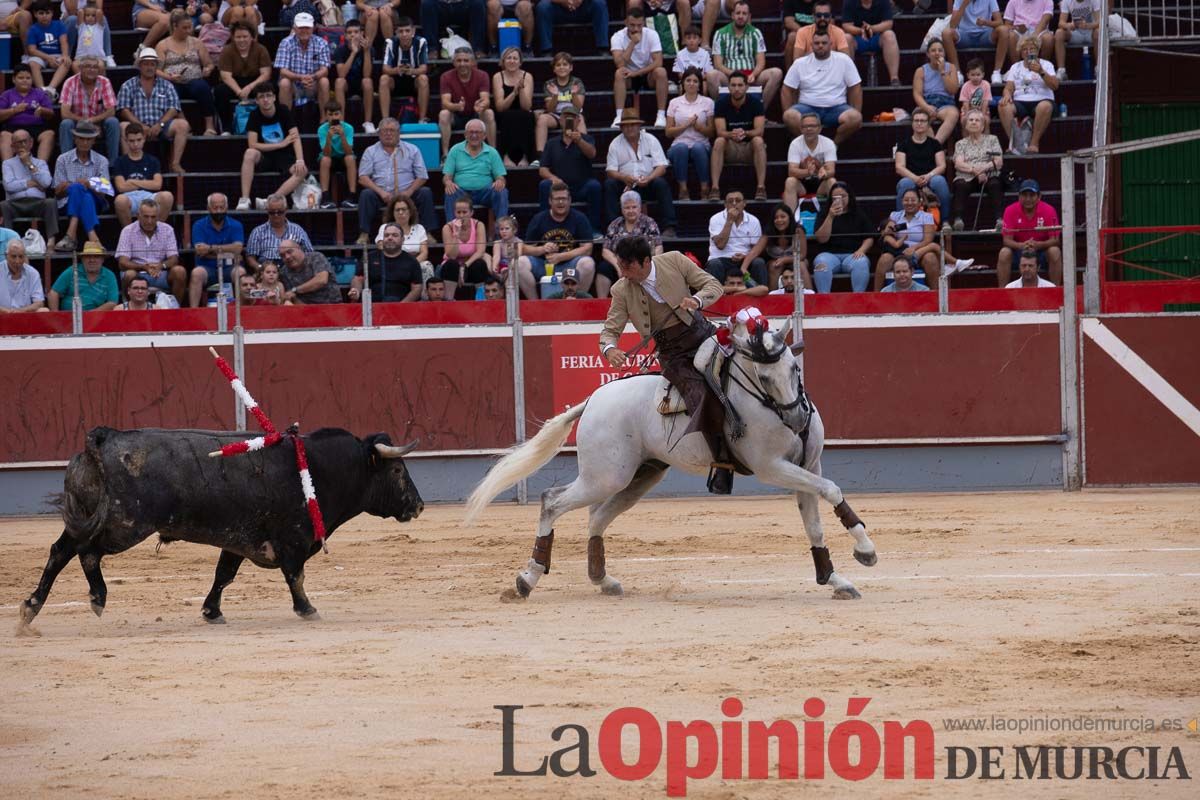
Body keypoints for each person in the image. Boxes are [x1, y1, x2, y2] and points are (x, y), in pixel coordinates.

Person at [600, 236, 731, 493]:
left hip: (703, 335)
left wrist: (697, 301)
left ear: (646, 261)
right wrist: (610, 348)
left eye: (628, 266)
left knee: (746, 368)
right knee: (698, 393)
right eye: (620, 266)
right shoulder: (620, 289)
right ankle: (723, 462)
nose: (623, 273)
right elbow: (610, 330)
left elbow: (712, 285)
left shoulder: (674, 260)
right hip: (673, 355)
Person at [356, 117, 436, 244]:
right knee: (366, 195)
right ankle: (364, 234)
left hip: (407, 194)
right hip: (382, 195)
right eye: (384, 131)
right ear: (379, 134)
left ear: (399, 133)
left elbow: (422, 176)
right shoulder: (370, 151)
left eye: (392, 131)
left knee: (425, 193)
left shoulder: (412, 149)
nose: (388, 134)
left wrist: (408, 192)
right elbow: (363, 178)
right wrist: (381, 192)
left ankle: (427, 233)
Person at [781, 30, 862, 145]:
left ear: (831, 44)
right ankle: (812, 145)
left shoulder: (844, 60)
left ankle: (833, 145)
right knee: (788, 116)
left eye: (824, 43)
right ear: (811, 45)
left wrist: (856, 110)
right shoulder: (800, 63)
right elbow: (786, 89)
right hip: (807, 108)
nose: (820, 46)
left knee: (856, 118)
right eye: (817, 43)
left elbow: (855, 87)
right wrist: (788, 109)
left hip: (836, 108)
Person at [116, 47, 190, 174]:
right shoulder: (128, 85)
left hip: (162, 125)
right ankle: (128, 165)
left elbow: (174, 108)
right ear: (140, 66)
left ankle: (175, 163)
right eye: (146, 64)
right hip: (137, 126)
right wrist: (140, 125)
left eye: (152, 64)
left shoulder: (167, 85)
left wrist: (160, 124)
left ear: (156, 66)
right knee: (123, 126)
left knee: (182, 125)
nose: (149, 67)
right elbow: (123, 109)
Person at [604, 108, 676, 237]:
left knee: (661, 183)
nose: (629, 128)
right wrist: (623, 177)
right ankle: (613, 228)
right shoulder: (615, 144)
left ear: (639, 126)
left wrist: (649, 178)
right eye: (626, 126)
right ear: (621, 128)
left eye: (633, 125)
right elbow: (610, 170)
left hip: (648, 183)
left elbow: (661, 167)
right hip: (626, 185)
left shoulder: (651, 139)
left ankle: (669, 227)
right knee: (609, 184)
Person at [516, 181, 595, 298]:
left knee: (588, 263)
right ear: (550, 201)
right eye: (557, 199)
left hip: (569, 264)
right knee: (520, 263)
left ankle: (577, 301)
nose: (561, 202)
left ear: (569, 200)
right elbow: (525, 249)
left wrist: (561, 257)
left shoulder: (579, 218)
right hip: (543, 264)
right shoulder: (539, 219)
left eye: (564, 198)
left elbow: (588, 249)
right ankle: (535, 305)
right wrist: (542, 249)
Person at [235, 82, 307, 210]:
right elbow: (252, 144)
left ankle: (271, 200)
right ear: (256, 100)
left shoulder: (283, 110)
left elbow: (295, 137)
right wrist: (280, 144)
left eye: (269, 95)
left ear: (274, 97)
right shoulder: (254, 115)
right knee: (249, 153)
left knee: (302, 170)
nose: (266, 99)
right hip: (265, 157)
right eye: (262, 97)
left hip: (285, 156)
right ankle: (245, 200)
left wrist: (300, 160)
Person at [536, 107, 601, 232]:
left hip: (582, 186)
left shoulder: (586, 139)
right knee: (544, 185)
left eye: (572, 118)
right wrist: (553, 178)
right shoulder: (551, 143)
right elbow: (542, 169)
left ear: (578, 121)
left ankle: (594, 230)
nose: (568, 121)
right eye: (565, 118)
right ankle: (544, 228)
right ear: (560, 121)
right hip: (559, 187)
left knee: (595, 186)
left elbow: (592, 154)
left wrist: (579, 141)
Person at [708, 1, 783, 109]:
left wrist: (753, 74)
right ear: (732, 15)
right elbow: (718, 64)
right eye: (738, 13)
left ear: (749, 16)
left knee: (776, 73)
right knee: (712, 75)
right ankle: (723, 111)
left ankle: (760, 112)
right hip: (729, 76)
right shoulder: (720, 34)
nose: (741, 16)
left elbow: (761, 62)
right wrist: (734, 74)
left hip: (751, 76)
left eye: (744, 14)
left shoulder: (755, 33)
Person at [156, 10, 217, 136]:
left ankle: (209, 126)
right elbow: (156, 70)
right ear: (175, 26)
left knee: (202, 87)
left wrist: (208, 69)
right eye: (184, 28)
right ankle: (185, 125)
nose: (188, 30)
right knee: (171, 91)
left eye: (190, 27)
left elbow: (209, 63)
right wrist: (169, 77)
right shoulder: (163, 45)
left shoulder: (197, 42)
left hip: (194, 80)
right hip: (172, 81)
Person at [51, 120, 109, 251]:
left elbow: (104, 192)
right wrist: (73, 187)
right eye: (81, 139)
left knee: (83, 191)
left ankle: (71, 235)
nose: (85, 142)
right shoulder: (62, 159)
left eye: (88, 139)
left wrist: (89, 184)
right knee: (79, 190)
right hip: (66, 203)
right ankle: (94, 238)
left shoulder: (101, 160)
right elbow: (58, 193)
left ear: (94, 141)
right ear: (75, 139)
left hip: (96, 202)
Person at [709, 72, 766, 202]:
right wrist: (731, 134)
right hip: (731, 147)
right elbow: (720, 131)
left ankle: (761, 187)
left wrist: (745, 133)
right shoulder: (721, 103)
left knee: (758, 140)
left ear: (746, 87)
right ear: (728, 87)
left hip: (749, 148)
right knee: (719, 141)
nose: (736, 89)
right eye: (733, 85)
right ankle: (715, 187)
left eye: (740, 85)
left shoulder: (756, 103)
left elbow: (759, 131)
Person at [997, 34, 1059, 154]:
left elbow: (1055, 85)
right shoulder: (1015, 67)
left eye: (1032, 49)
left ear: (1037, 51)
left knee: (1044, 106)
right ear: (1021, 52)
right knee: (1003, 105)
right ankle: (1016, 143)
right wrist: (1007, 95)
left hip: (1042, 99)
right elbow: (1008, 87)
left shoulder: (1046, 65)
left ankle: (1034, 143)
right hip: (1020, 101)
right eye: (1025, 49)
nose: (1028, 52)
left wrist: (1041, 71)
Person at [115, 197, 183, 301]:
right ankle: (128, 308)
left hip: (161, 273)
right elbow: (122, 262)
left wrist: (161, 265)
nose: (149, 221)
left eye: (153, 217)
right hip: (137, 273)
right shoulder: (127, 231)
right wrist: (143, 267)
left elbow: (174, 259)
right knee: (129, 274)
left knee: (179, 271)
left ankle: (175, 308)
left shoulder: (167, 229)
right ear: (138, 216)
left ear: (158, 217)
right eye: (146, 217)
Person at [610, 7, 668, 129]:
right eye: (632, 25)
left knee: (661, 72)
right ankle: (619, 116)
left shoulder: (652, 34)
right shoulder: (617, 37)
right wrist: (632, 43)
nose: (636, 29)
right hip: (628, 76)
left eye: (639, 25)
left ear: (644, 23)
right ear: (626, 22)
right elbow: (619, 63)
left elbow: (658, 62)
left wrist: (636, 73)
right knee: (619, 73)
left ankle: (661, 115)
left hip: (647, 74)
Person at [442, 118, 509, 223]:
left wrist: (500, 181)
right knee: (450, 191)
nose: (474, 135)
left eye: (477, 132)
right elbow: (447, 176)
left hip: (484, 193)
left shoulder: (492, 152)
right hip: (461, 193)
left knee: (501, 192)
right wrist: (448, 182)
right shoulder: (455, 150)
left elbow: (500, 177)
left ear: (484, 135)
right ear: (465, 134)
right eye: (471, 132)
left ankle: (502, 232)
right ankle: (452, 232)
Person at [996, 178, 1062, 285]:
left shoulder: (1049, 210)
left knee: (1055, 251)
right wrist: (1022, 245)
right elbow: (1006, 241)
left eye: (1032, 195)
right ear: (1019, 196)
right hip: (1019, 251)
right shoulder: (1010, 210)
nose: (1028, 199)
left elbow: (1055, 240)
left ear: (1039, 197)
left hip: (1041, 252)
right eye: (1024, 195)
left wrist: (1038, 245)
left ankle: (1055, 290)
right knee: (1004, 253)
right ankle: (1002, 293)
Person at [812, 181, 874, 293]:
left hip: (852, 254)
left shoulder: (858, 213)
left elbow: (869, 237)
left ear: (849, 196)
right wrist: (830, 216)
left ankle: (858, 298)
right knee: (820, 263)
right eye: (836, 197)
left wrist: (862, 250)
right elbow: (821, 238)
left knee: (862, 262)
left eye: (843, 196)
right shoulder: (824, 213)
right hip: (829, 254)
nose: (840, 199)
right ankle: (823, 298)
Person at [874, 187, 939, 291]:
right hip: (898, 250)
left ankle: (936, 296)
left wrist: (914, 248)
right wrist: (889, 229)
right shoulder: (895, 215)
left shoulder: (926, 216)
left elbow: (928, 240)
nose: (909, 203)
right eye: (906, 200)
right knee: (884, 259)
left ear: (919, 201)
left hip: (919, 251)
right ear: (902, 201)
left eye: (913, 200)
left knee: (930, 258)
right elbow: (888, 232)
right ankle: (876, 296)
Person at [58, 55, 120, 163]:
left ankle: (113, 165)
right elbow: (65, 113)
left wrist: (91, 121)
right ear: (80, 68)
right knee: (66, 124)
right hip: (77, 125)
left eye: (95, 67)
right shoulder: (70, 82)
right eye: (88, 66)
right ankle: (66, 163)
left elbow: (111, 111)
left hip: (99, 124)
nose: (91, 70)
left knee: (113, 122)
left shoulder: (104, 82)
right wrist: (85, 122)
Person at [2, 130, 59, 246]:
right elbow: (8, 186)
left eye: (25, 141)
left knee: (51, 202)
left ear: (31, 143)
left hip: (37, 203)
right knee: (3, 205)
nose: (23, 145)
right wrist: (30, 183)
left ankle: (51, 241)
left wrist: (29, 164)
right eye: (19, 142)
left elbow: (46, 183)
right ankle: (8, 244)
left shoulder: (40, 163)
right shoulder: (7, 164)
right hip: (15, 204)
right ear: (13, 146)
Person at [600, 190, 662, 297]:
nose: (631, 211)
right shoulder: (615, 224)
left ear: (640, 208)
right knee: (603, 268)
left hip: (641, 263)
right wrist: (618, 266)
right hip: (619, 262)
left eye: (634, 207)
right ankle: (602, 302)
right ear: (622, 209)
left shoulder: (649, 223)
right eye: (627, 208)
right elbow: (605, 250)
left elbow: (658, 248)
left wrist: (644, 264)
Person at [111, 122, 174, 227]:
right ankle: (130, 235)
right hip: (129, 197)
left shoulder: (153, 160)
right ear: (126, 141)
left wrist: (132, 181)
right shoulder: (120, 161)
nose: (135, 144)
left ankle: (155, 232)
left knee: (167, 196)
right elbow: (121, 187)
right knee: (120, 200)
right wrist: (147, 183)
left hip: (149, 196)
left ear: (144, 138)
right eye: (131, 141)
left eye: (138, 140)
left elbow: (157, 185)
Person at [950, 108, 1003, 231]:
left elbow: (998, 161)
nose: (974, 122)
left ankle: (1000, 219)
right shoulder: (960, 144)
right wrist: (975, 171)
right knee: (960, 185)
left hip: (989, 175)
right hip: (967, 176)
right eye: (971, 120)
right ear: (966, 125)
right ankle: (958, 220)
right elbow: (958, 164)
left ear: (983, 125)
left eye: (977, 120)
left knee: (995, 183)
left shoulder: (992, 140)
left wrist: (983, 169)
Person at [666, 67, 714, 202]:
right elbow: (668, 132)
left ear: (699, 85)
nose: (691, 83)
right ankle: (683, 189)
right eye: (688, 80)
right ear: (683, 83)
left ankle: (705, 188)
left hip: (702, 144)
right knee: (681, 148)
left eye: (695, 81)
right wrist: (685, 125)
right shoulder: (674, 102)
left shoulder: (708, 102)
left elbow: (712, 131)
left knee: (698, 148)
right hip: (679, 143)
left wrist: (698, 127)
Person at [215, 21, 272, 134]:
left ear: (252, 37)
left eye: (245, 36)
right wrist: (239, 91)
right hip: (234, 82)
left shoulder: (261, 49)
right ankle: (227, 128)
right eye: (238, 37)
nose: (242, 40)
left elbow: (266, 74)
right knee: (220, 91)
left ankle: (269, 123)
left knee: (271, 88)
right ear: (233, 37)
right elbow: (225, 76)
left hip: (255, 82)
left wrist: (250, 87)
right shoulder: (227, 50)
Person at [189, 192, 245, 306]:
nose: (219, 211)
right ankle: (193, 312)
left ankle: (241, 309)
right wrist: (229, 252)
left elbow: (238, 248)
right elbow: (200, 251)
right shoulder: (199, 225)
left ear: (227, 207)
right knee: (196, 273)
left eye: (222, 207)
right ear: (208, 208)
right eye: (215, 208)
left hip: (229, 267)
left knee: (241, 272)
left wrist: (210, 248)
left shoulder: (236, 225)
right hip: (206, 267)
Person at [894, 107, 951, 217]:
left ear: (928, 124)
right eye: (916, 120)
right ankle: (901, 221)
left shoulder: (935, 144)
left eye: (923, 121)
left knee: (940, 181)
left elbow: (942, 166)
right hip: (910, 178)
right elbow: (899, 167)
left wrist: (929, 176)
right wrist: (915, 178)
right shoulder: (904, 144)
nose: (919, 123)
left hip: (930, 177)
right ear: (912, 123)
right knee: (905, 183)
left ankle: (945, 222)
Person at [348, 222, 424, 302]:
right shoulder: (369, 257)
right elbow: (358, 278)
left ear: (402, 239)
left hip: (402, 308)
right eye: (386, 235)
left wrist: (402, 306)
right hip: (373, 307)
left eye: (394, 235)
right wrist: (356, 290)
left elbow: (417, 288)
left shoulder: (411, 261)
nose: (390, 238)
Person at [438, 47, 494, 155]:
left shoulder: (482, 75)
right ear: (454, 62)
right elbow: (445, 103)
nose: (462, 64)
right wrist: (456, 107)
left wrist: (481, 106)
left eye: (466, 60)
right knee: (443, 114)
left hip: (475, 114)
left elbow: (486, 100)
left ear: (472, 62)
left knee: (489, 113)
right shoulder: (446, 77)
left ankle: (492, 153)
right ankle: (445, 154)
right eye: (459, 61)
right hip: (456, 115)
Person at [705, 189, 767, 286]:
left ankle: (761, 296)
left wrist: (746, 257)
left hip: (745, 259)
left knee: (758, 262)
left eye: (738, 201)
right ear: (725, 205)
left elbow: (756, 249)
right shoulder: (716, 218)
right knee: (714, 264)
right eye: (730, 201)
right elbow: (720, 245)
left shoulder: (753, 220)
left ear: (744, 203)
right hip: (721, 258)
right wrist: (729, 221)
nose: (734, 204)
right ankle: (716, 298)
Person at [273, 12, 331, 115]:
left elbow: (325, 70)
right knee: (284, 83)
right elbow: (283, 71)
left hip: (313, 84)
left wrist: (311, 77)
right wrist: (300, 78)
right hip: (293, 85)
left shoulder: (322, 43)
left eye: (307, 27)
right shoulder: (286, 43)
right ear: (294, 28)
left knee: (324, 81)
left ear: (313, 28)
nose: (304, 30)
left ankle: (325, 121)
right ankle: (287, 122)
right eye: (301, 27)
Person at [943, 0, 1009, 87]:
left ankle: (996, 72)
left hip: (985, 34)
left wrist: (985, 22)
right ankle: (957, 73)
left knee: (1004, 30)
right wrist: (964, 5)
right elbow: (953, 25)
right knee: (946, 33)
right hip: (965, 35)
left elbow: (999, 22)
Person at [534, 52, 586, 160]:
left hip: (573, 114)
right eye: (558, 65)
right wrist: (555, 95)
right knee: (542, 118)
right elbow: (550, 109)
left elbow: (578, 107)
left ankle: (584, 151)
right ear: (554, 69)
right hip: (556, 115)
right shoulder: (550, 84)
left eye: (565, 64)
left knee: (580, 118)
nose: (561, 67)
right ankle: (541, 156)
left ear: (571, 67)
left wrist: (574, 94)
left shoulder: (577, 82)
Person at [0, 64, 55, 163]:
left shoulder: (40, 93)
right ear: (14, 79)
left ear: (32, 79)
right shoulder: (7, 94)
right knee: (4, 135)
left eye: (28, 78)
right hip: (13, 127)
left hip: (37, 127)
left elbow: (51, 114)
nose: (25, 80)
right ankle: (7, 170)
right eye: (21, 78)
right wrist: (14, 110)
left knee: (49, 134)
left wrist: (42, 110)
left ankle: (41, 169)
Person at [438, 195, 491, 298]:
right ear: (454, 213)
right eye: (458, 212)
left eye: (464, 212)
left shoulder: (478, 225)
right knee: (451, 264)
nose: (461, 215)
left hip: (470, 265)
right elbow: (451, 255)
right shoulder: (447, 227)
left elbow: (480, 251)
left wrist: (464, 266)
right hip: (453, 268)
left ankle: (481, 299)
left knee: (479, 264)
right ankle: (449, 300)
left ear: (471, 212)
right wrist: (456, 236)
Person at [379, 17, 429, 123]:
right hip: (396, 81)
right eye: (401, 31)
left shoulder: (421, 42)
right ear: (396, 32)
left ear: (413, 31)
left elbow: (424, 68)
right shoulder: (390, 42)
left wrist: (412, 71)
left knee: (423, 78)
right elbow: (385, 69)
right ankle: (385, 120)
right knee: (384, 79)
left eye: (407, 31)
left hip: (413, 80)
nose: (404, 34)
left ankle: (422, 119)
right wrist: (397, 70)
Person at [783, 111, 836, 210]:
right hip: (802, 184)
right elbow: (791, 171)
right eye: (805, 126)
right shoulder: (795, 144)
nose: (809, 129)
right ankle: (790, 220)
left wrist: (824, 173)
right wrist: (808, 172)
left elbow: (831, 171)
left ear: (820, 128)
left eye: (813, 126)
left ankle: (836, 219)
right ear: (801, 129)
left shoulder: (828, 143)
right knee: (790, 181)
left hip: (821, 183)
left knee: (832, 181)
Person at [245, 194, 312, 272]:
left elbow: (309, 253)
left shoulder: (298, 230)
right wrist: (260, 268)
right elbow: (250, 257)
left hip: (292, 269)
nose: (276, 215)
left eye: (280, 212)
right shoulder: (257, 231)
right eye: (272, 212)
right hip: (266, 268)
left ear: (286, 210)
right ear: (267, 211)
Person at [492, 47, 535, 167]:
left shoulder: (527, 76)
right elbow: (500, 107)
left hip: (523, 113)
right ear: (503, 61)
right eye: (509, 58)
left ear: (520, 62)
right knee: (508, 116)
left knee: (525, 116)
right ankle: (506, 155)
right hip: (504, 112)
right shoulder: (498, 76)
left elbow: (526, 106)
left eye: (515, 58)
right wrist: (513, 93)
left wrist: (520, 90)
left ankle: (524, 156)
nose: (512, 61)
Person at [331, 18, 375, 134]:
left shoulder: (369, 49)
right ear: (345, 36)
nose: (353, 35)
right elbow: (341, 74)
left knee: (367, 81)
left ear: (362, 34)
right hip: (347, 85)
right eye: (349, 33)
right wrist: (353, 53)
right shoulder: (340, 50)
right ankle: (341, 123)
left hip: (361, 84)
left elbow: (367, 74)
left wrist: (365, 52)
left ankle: (368, 122)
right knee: (339, 82)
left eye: (356, 32)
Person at [47, 240, 119, 310]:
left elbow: (112, 302)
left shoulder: (109, 275)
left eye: (96, 257)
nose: (92, 260)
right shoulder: (72, 270)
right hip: (69, 317)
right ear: (82, 259)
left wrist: (91, 315)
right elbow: (53, 293)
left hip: (96, 318)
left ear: (102, 259)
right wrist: (55, 317)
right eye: (88, 256)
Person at [913, 40, 960, 145]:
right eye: (933, 50)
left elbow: (953, 90)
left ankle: (935, 146)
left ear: (944, 53)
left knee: (953, 114)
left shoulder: (951, 67)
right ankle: (933, 149)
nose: (937, 53)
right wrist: (926, 107)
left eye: (940, 50)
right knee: (921, 118)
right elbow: (917, 94)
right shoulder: (921, 71)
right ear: (928, 54)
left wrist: (942, 71)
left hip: (946, 103)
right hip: (928, 102)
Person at [842, 0, 899, 85]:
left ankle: (894, 78)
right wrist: (862, 31)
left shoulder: (884, 2)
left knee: (889, 35)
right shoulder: (849, 2)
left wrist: (871, 28)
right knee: (846, 38)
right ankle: (850, 80)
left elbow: (888, 23)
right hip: (858, 38)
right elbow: (846, 26)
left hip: (878, 37)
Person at [317, 100, 357, 209]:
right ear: (326, 116)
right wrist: (329, 137)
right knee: (325, 159)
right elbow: (326, 153)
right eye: (330, 114)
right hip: (330, 158)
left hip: (344, 157)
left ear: (341, 114)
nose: (334, 117)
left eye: (336, 114)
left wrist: (342, 135)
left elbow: (349, 151)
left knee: (350, 158)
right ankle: (325, 198)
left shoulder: (348, 128)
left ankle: (352, 196)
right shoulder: (322, 129)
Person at [24, 1, 71, 94]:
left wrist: (65, 55)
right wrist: (48, 58)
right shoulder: (33, 29)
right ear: (35, 14)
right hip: (40, 55)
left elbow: (64, 43)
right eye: (41, 13)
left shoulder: (59, 25)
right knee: (33, 63)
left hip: (56, 54)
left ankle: (50, 89)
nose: (44, 16)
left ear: (52, 13)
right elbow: (31, 50)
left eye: (47, 13)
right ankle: (41, 91)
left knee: (66, 62)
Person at [534, 0, 608, 58]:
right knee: (543, 6)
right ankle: (546, 51)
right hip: (558, 9)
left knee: (599, 3)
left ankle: (602, 48)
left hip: (583, 9)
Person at [277, 238, 342, 303]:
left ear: (299, 248)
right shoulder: (284, 272)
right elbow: (291, 297)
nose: (287, 257)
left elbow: (321, 280)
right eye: (282, 255)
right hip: (304, 309)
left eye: (289, 252)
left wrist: (295, 290)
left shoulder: (316, 257)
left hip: (331, 305)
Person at [764, 202, 812, 291]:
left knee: (800, 264)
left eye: (783, 217)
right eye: (776, 218)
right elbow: (755, 251)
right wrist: (744, 267)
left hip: (797, 259)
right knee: (774, 266)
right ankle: (773, 298)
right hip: (776, 262)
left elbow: (802, 255)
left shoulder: (798, 230)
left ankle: (811, 297)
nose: (779, 220)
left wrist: (785, 259)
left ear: (789, 217)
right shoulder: (769, 231)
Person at [372, 195, 430, 266]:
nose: (400, 212)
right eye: (397, 210)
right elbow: (381, 247)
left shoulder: (419, 228)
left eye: (404, 209)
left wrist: (411, 265)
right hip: (393, 263)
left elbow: (424, 253)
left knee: (427, 265)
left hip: (415, 264)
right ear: (393, 213)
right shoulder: (385, 227)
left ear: (410, 212)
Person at [1054, 0, 1100, 80]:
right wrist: (1069, 25)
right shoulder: (1066, 1)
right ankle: (1061, 70)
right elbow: (1061, 23)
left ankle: (1098, 68)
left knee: (1098, 32)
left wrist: (1088, 26)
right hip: (1076, 33)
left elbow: (1100, 21)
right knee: (1059, 33)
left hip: (1091, 33)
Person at [1002, 0, 1053, 65]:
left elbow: (1045, 20)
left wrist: (1034, 36)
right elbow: (1007, 25)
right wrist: (1017, 28)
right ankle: (1017, 68)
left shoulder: (1047, 1)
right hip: (1020, 31)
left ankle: (1043, 67)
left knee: (1048, 38)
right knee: (1011, 35)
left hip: (1039, 30)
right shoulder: (1012, 1)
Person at [0, 239, 46, 312]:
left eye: (21, 257)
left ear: (25, 256)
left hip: (25, 315)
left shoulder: (33, 273)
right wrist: (7, 311)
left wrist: (20, 311)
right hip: (2, 315)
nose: (17, 261)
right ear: (6, 256)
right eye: (13, 256)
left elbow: (39, 303)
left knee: (44, 310)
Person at [958, 57, 993, 130]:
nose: (975, 77)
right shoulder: (965, 86)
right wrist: (968, 115)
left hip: (982, 110)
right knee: (964, 121)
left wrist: (982, 115)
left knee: (986, 121)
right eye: (973, 75)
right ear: (968, 75)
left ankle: (986, 139)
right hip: (968, 110)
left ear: (983, 75)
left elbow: (986, 102)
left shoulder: (986, 84)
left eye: (978, 75)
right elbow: (965, 103)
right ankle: (966, 140)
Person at [490, 214, 521, 281]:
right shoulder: (497, 243)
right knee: (496, 267)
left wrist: (510, 267)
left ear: (514, 230)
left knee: (515, 264)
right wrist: (494, 267)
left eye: (507, 228)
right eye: (501, 229)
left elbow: (519, 255)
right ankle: (501, 275)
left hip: (514, 266)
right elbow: (496, 256)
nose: (504, 231)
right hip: (502, 266)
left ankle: (507, 273)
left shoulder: (519, 242)